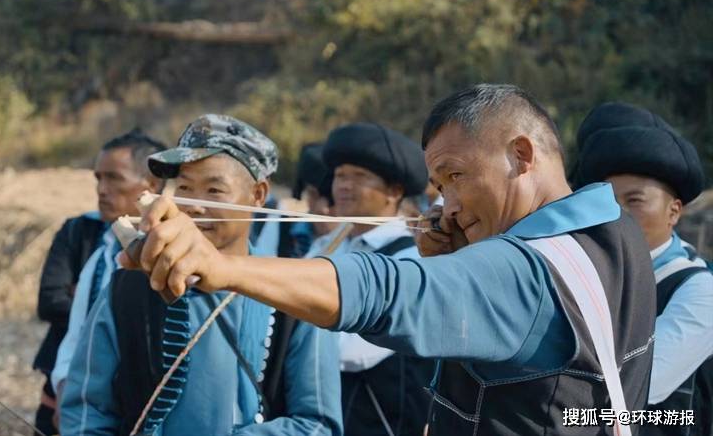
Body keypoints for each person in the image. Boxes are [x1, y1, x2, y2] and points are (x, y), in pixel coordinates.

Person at [124, 84, 658, 435]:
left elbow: (385, 290)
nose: (445, 205)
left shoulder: (525, 271)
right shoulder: (616, 231)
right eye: (438, 185)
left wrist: (224, 270)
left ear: (521, 155)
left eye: (456, 176)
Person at [59, 114, 342, 436]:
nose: (194, 206)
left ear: (259, 195)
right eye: (184, 188)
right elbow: (86, 410)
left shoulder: (295, 291)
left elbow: (318, 424)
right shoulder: (129, 286)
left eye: (214, 190)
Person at [573, 102, 713, 436]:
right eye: (606, 202)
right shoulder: (591, 274)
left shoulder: (698, 290)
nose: (616, 216)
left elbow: (632, 390)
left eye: (634, 201)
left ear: (674, 211)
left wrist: (559, 414)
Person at [32, 128, 165, 435]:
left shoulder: (172, 253)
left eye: (114, 178)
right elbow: (58, 311)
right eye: (98, 178)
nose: (102, 190)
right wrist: (66, 387)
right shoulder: (95, 243)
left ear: (152, 184)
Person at [309, 122, 434, 436]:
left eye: (359, 177)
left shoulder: (409, 260)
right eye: (340, 175)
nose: (344, 186)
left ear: (394, 192)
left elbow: (352, 353)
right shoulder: (327, 244)